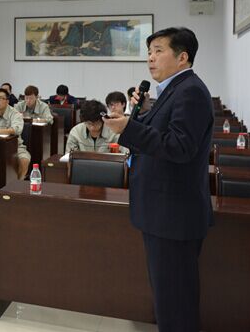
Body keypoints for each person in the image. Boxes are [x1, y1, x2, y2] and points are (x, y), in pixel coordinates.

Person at [103, 27, 213, 332]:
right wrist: (136, 116)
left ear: (182, 57)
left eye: (158, 51)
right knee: (168, 299)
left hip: (173, 216)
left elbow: (179, 147)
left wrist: (129, 128)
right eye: (149, 52)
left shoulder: (190, 91)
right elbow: (155, 139)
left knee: (175, 302)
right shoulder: (172, 91)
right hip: (162, 214)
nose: (150, 58)